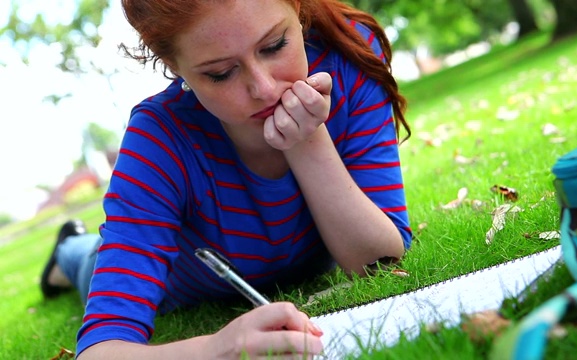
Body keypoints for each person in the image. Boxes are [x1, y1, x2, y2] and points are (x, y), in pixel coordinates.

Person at [40, 0, 413, 358]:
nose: (265, 89)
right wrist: (215, 351)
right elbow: (101, 350)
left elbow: (379, 261)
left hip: (296, 255)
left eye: (275, 45)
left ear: (297, 9)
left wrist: (304, 138)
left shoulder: (347, 55)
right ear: (175, 65)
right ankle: (66, 250)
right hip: (180, 283)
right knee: (86, 262)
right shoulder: (159, 139)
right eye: (221, 73)